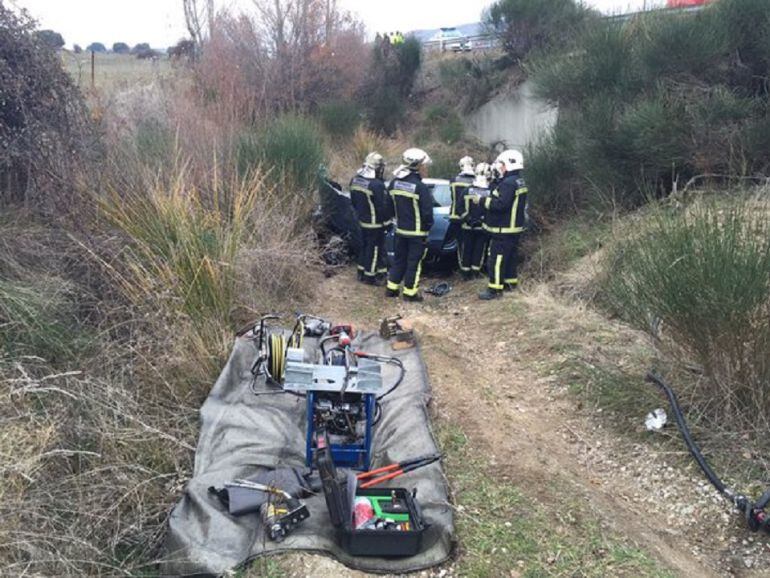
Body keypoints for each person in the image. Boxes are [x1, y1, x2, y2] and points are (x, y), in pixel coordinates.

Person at [474, 149, 528, 300]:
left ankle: (494, 289)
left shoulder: (508, 183)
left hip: (503, 229)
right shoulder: (518, 181)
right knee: (510, 257)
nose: (500, 167)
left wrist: (482, 200)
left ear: (509, 165)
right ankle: (510, 284)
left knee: (496, 259)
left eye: (502, 164)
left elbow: (501, 205)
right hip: (513, 228)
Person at [385, 148, 434, 302]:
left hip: (400, 231)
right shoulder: (420, 187)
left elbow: (389, 207)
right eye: (423, 165)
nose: (425, 168)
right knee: (414, 263)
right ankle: (410, 293)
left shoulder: (394, 183)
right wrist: (427, 228)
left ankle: (391, 289)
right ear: (417, 166)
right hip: (417, 234)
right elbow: (427, 213)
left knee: (399, 260)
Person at [350, 152, 388, 285]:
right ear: (376, 168)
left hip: (361, 221)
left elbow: (353, 202)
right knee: (375, 248)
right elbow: (382, 207)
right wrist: (387, 223)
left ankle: (361, 272)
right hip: (375, 224)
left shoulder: (355, 180)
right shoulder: (377, 185)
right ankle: (370, 277)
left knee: (364, 246)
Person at [460, 162, 491, 278]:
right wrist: (483, 220)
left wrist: (467, 218)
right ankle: (475, 274)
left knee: (466, 250)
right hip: (482, 228)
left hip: (467, 227)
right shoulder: (491, 192)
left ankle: (465, 274)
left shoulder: (467, 190)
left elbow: (459, 207)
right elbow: (492, 209)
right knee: (479, 251)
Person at [449, 156, 475, 275]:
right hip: (471, 218)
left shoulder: (454, 179)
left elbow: (453, 198)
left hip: (456, 217)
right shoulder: (476, 181)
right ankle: (470, 270)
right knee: (473, 245)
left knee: (461, 246)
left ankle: (463, 269)